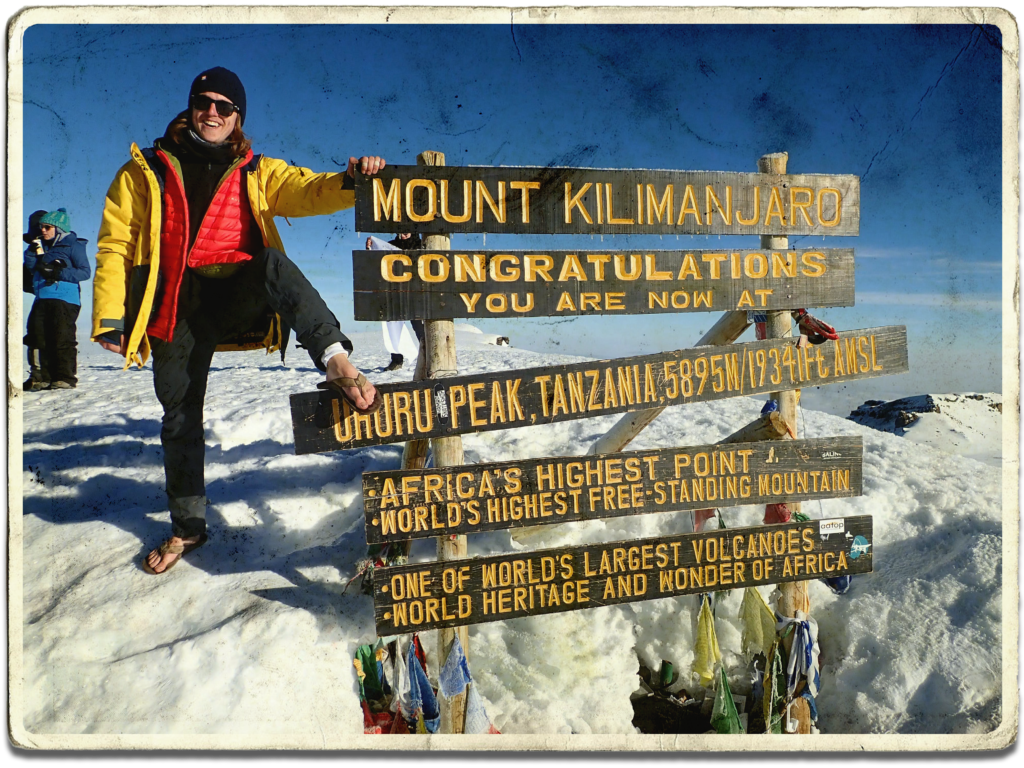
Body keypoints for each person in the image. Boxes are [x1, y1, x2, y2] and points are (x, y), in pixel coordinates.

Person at [92, 66, 386, 574]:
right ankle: (188, 529)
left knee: (273, 263)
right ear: (190, 107)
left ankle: (335, 359)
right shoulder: (144, 171)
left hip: (233, 296)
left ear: (237, 118)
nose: (212, 112)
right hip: (171, 310)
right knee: (179, 419)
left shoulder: (258, 169)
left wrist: (350, 181)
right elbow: (115, 243)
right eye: (203, 102)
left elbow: (309, 191)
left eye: (224, 107)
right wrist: (109, 315)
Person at [23, 208, 92, 390]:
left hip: (64, 299)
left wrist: (57, 272)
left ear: (59, 229)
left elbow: (85, 272)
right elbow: (32, 269)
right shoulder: (42, 246)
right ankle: (43, 378)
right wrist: (31, 251)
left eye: (47, 227)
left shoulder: (74, 245)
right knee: (38, 337)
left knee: (61, 338)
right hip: (41, 297)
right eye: (41, 227)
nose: (43, 230)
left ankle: (64, 378)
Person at [381, 232, 425, 371]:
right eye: (401, 230)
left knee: (420, 328)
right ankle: (396, 360)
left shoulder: (422, 246)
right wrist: (371, 248)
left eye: (407, 230)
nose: (404, 233)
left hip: (416, 294)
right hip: (395, 294)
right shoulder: (390, 246)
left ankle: (428, 357)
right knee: (393, 328)